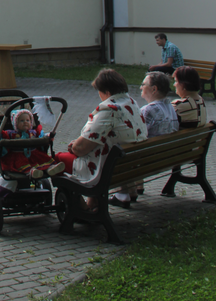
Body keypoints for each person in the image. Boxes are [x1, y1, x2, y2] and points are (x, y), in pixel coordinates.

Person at [55, 69, 146, 208]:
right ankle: (93, 203)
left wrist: (74, 146)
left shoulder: (110, 109)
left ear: (107, 92)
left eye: (99, 91)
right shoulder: (132, 103)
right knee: (99, 152)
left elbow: (80, 148)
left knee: (58, 160)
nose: (99, 95)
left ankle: (81, 210)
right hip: (129, 165)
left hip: (108, 170)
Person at [113, 71, 178, 206]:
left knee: (118, 150)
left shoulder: (148, 110)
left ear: (154, 89)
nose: (140, 87)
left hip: (148, 159)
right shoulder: (170, 106)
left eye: (143, 84)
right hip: (166, 157)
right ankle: (134, 189)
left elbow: (134, 135)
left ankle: (122, 194)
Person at [0, 109, 65, 179]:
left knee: (42, 160)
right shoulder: (10, 133)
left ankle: (50, 168)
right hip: (18, 155)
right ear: (15, 123)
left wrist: (48, 136)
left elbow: (41, 136)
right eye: (22, 120)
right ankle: (32, 172)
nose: (25, 122)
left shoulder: (34, 132)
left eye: (27, 120)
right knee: (22, 164)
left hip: (33, 154)